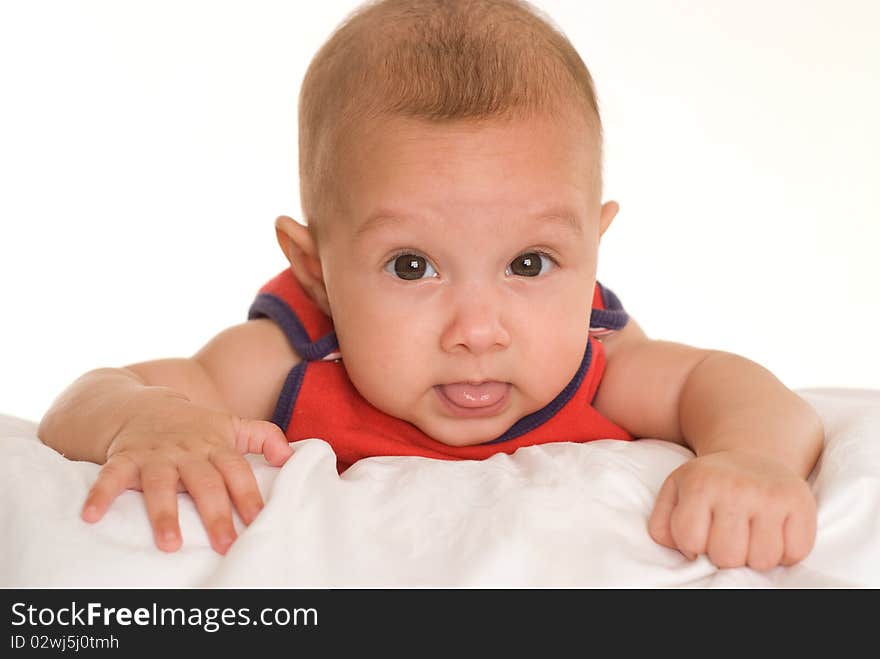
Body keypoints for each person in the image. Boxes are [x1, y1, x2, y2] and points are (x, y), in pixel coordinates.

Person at [38, 0, 823, 571]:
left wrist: (752, 458)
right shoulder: (291, 359)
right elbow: (90, 396)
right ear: (317, 269)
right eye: (411, 266)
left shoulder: (598, 357)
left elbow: (734, 387)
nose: (477, 329)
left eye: (529, 264)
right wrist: (142, 418)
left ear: (592, 248)